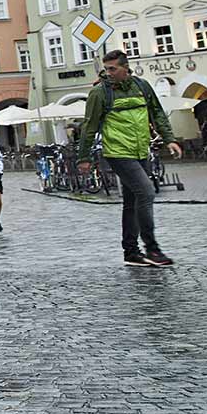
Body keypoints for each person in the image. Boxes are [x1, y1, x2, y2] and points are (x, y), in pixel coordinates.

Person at [79, 51, 183, 267]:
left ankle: (131, 252)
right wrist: (84, 157)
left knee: (132, 201)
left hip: (141, 151)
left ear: (126, 68)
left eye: (112, 69)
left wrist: (169, 139)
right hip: (118, 153)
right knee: (146, 192)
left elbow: (157, 112)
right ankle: (152, 249)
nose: (108, 73)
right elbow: (89, 126)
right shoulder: (100, 93)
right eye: (106, 69)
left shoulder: (142, 86)